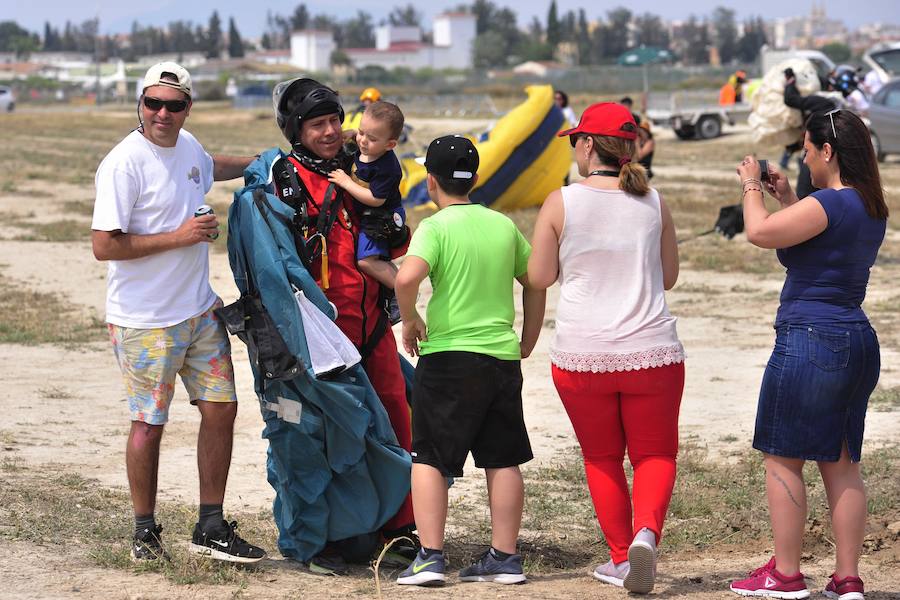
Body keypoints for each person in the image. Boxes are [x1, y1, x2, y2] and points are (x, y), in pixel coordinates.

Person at [91, 62, 265, 563]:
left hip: (198, 311)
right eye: (153, 103)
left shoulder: (188, 147)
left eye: (174, 104)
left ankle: (210, 525)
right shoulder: (124, 163)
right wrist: (180, 237)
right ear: (139, 104)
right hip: (145, 321)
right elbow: (104, 245)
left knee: (222, 410)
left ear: (189, 108)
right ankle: (144, 532)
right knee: (149, 424)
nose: (162, 113)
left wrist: (266, 162)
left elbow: (212, 165)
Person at [528, 102, 684, 594]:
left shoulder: (562, 201)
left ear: (589, 145)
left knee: (601, 458)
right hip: (652, 351)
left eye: (576, 140)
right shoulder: (654, 201)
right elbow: (671, 277)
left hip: (582, 355)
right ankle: (646, 535)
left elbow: (539, 277)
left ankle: (620, 557)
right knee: (655, 453)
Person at [729, 110, 887, 600]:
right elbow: (806, 247)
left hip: (811, 339)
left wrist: (751, 186)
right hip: (854, 338)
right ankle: (847, 579)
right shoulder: (867, 204)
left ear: (828, 151)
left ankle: (787, 573)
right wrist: (789, 199)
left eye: (806, 147)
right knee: (841, 464)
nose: (802, 155)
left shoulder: (832, 203)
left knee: (782, 459)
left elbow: (759, 233)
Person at [270, 78, 416, 570]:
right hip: (316, 336)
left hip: (371, 325)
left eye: (335, 120)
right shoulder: (282, 180)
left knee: (395, 416)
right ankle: (321, 534)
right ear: (296, 129)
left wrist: (397, 230)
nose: (331, 131)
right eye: (318, 124)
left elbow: (389, 239)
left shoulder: (363, 168)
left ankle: (400, 528)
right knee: (317, 432)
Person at [394, 135, 546, 587]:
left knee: (430, 457)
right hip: (500, 358)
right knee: (502, 457)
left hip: (448, 358)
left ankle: (430, 557)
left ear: (431, 180)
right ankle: (504, 557)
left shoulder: (436, 227)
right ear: (476, 179)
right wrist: (529, 336)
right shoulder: (502, 226)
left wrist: (409, 319)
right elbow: (535, 280)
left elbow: (406, 277)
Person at [327, 101, 407, 324]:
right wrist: (350, 133)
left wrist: (345, 182)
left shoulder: (387, 167)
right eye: (362, 132)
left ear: (390, 144)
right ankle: (396, 290)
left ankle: (403, 289)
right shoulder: (364, 144)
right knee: (374, 258)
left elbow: (376, 198)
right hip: (368, 215)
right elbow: (356, 135)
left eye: (371, 138)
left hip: (382, 216)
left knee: (367, 261)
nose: (362, 140)